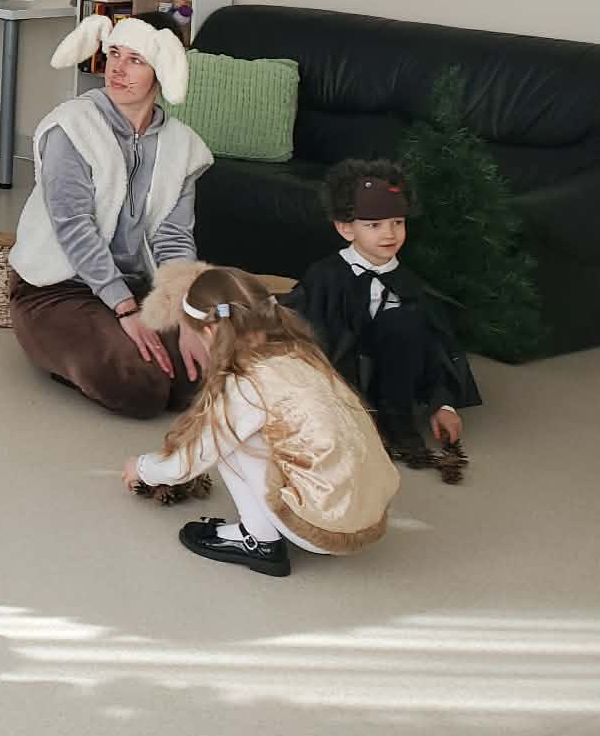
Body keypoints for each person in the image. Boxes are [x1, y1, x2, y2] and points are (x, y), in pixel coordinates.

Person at [124, 265, 400, 577]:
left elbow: (188, 462)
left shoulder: (246, 384)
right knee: (257, 428)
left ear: (211, 332)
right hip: (369, 514)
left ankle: (258, 541)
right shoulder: (300, 353)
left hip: (324, 528)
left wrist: (142, 469)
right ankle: (291, 517)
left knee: (228, 436)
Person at [8, 15, 214, 417]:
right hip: (56, 289)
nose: (117, 69)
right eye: (114, 54)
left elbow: (174, 237)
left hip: (138, 286)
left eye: (135, 60)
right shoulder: (71, 126)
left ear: (163, 70)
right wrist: (125, 310)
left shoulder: (183, 146)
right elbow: (74, 227)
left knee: (197, 378)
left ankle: (105, 344)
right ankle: (68, 354)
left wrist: (185, 311)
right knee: (140, 387)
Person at [285, 159, 480, 465]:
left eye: (397, 222)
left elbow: (433, 348)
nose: (389, 234)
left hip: (394, 385)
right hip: (340, 386)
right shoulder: (324, 277)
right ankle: (355, 420)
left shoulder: (410, 285)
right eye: (374, 225)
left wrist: (442, 404)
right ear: (345, 228)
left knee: (406, 320)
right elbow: (302, 336)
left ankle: (397, 422)